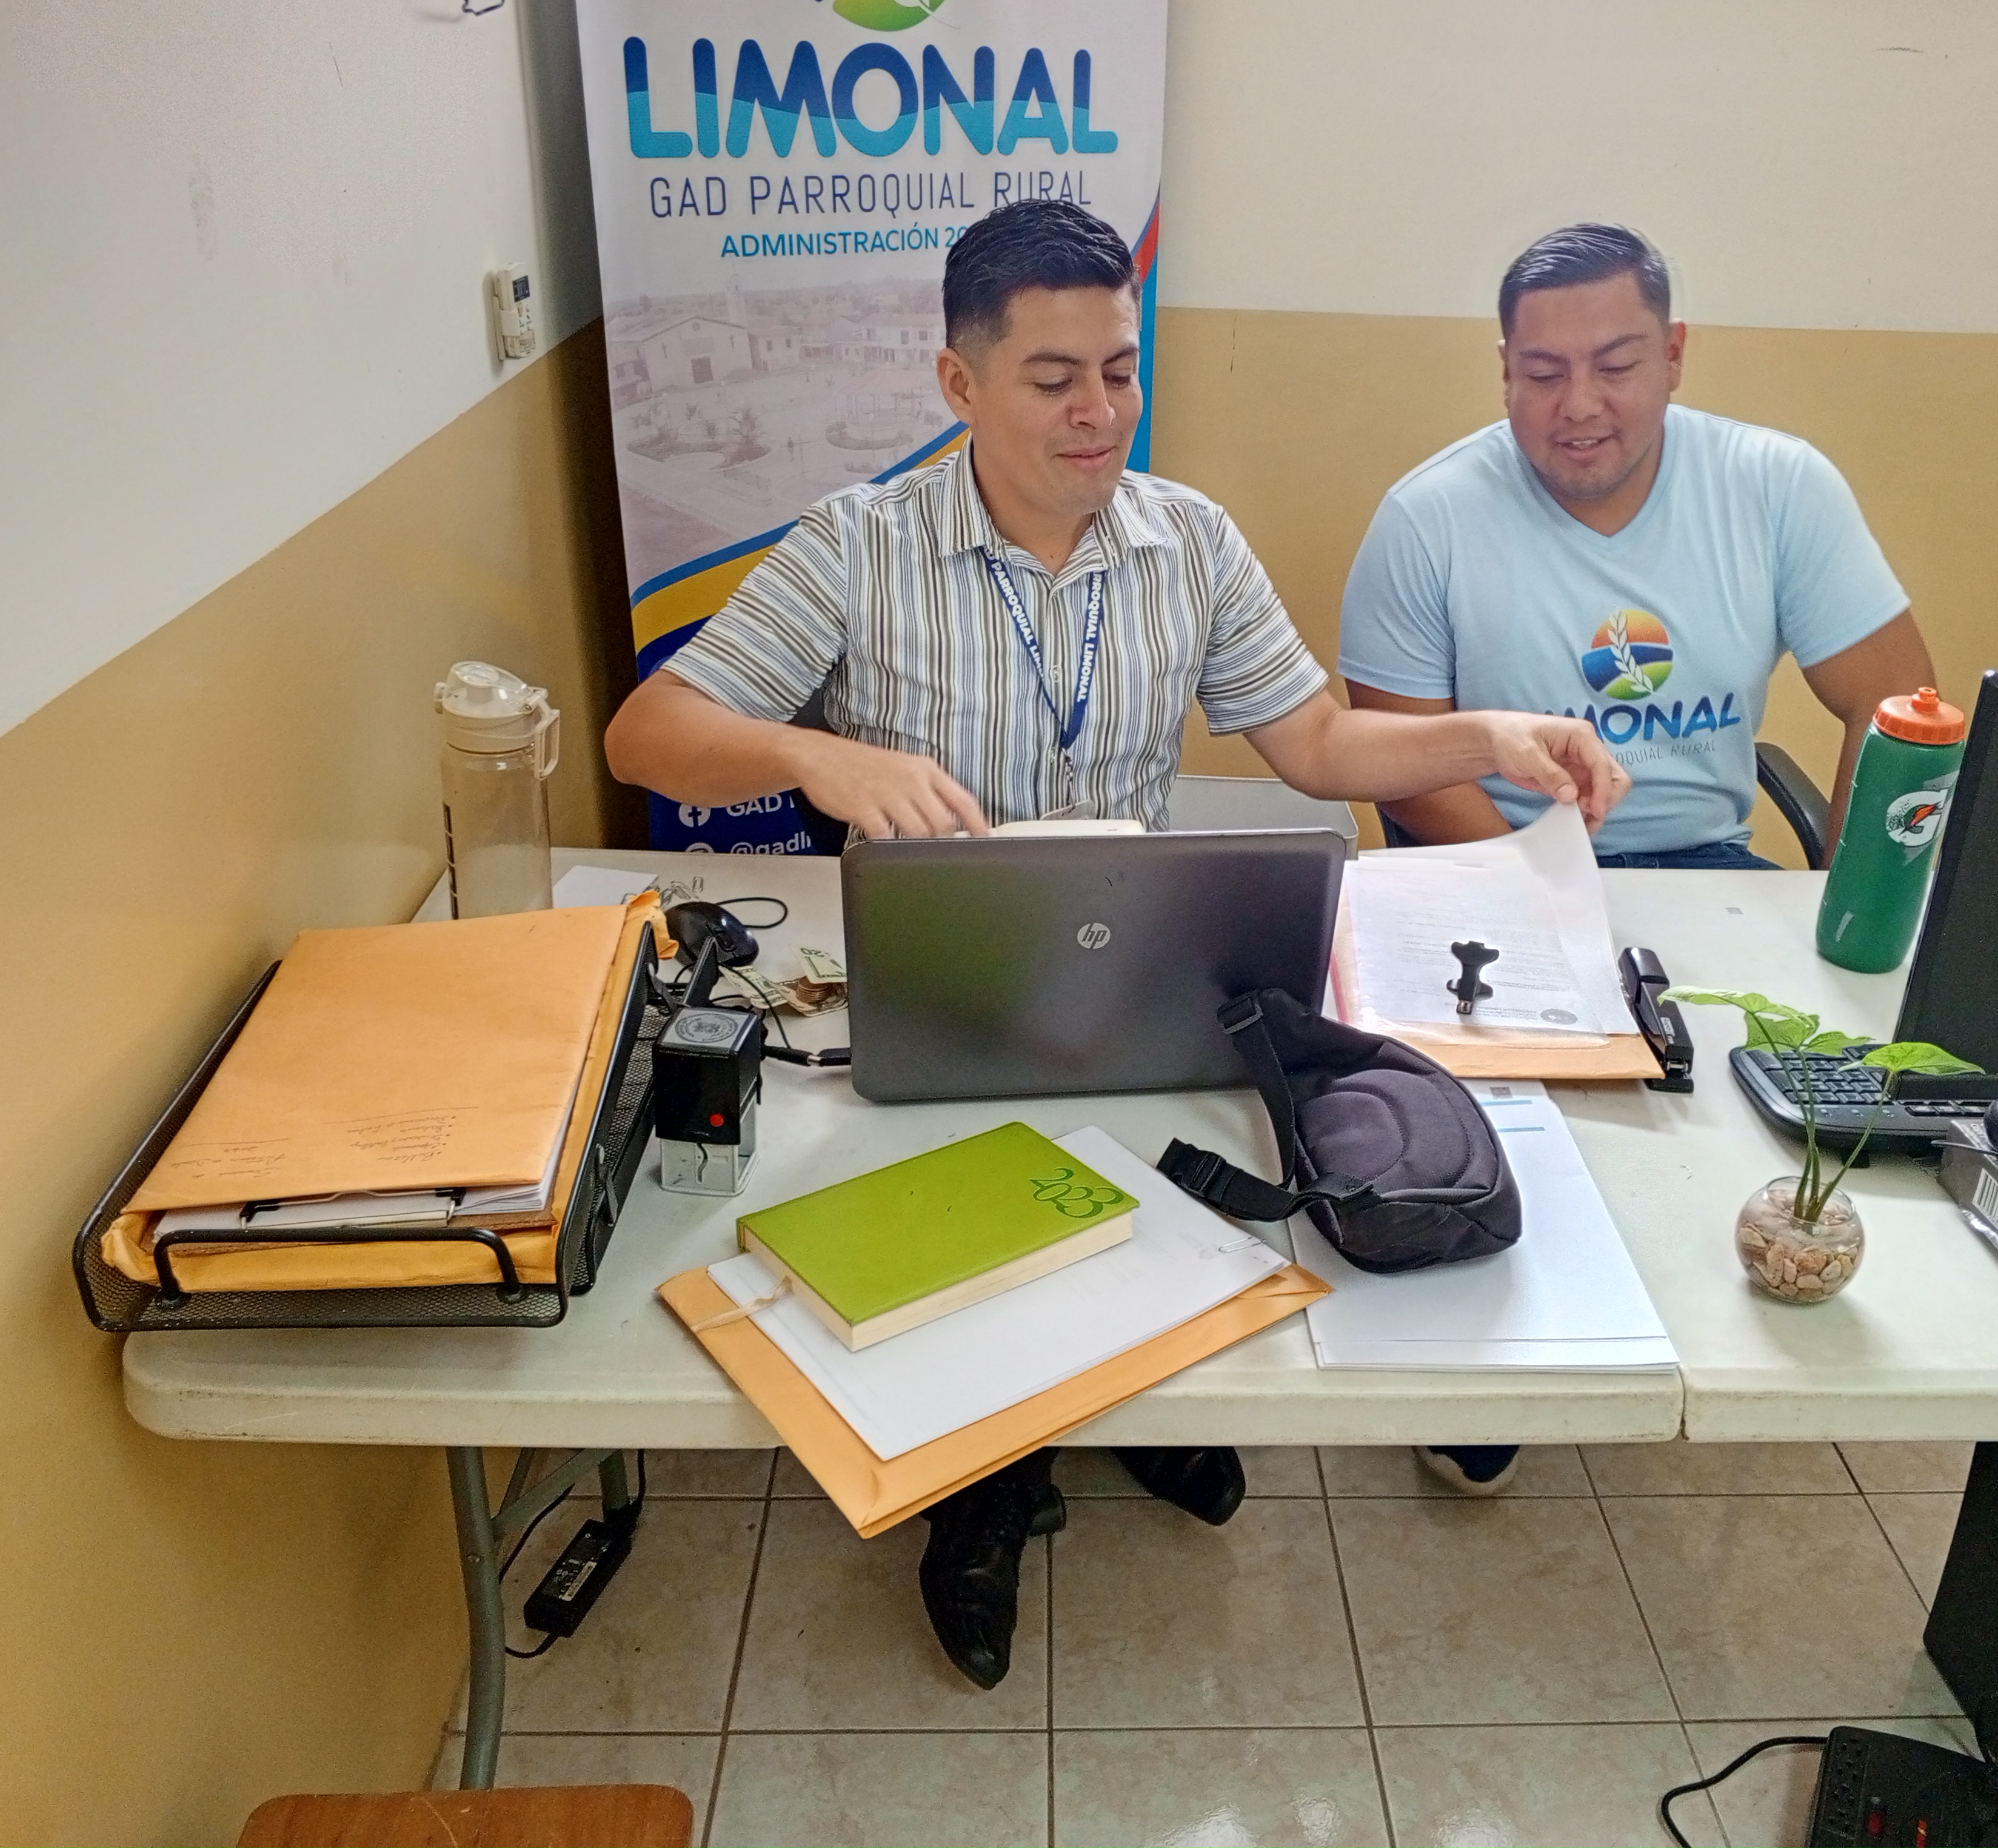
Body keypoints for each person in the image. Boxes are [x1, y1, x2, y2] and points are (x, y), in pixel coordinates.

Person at [606, 199, 1630, 1689]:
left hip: (1135, 972)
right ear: (959, 383)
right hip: (944, 985)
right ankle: (986, 1487)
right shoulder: (855, 545)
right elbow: (650, 733)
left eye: (1119, 370)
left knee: (1161, 1194)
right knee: (965, 1221)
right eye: (1052, 379)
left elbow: (1317, 740)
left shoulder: (1185, 539)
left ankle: (1123, 1409)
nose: (1099, 412)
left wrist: (1491, 734)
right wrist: (811, 755)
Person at [1336, 221, 1936, 1496]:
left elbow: (1895, 707)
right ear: (1503, 369)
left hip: (1708, 865)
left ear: (1673, 354)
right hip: (1495, 866)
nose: (1579, 405)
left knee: (1794, 1090)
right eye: (1541, 372)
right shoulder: (1429, 516)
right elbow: (1397, 759)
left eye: (1614, 365)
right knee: (1518, 1120)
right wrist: (1546, 896)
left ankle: (1714, 1304)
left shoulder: (1776, 486)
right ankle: (1498, 1348)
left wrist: (1851, 896)